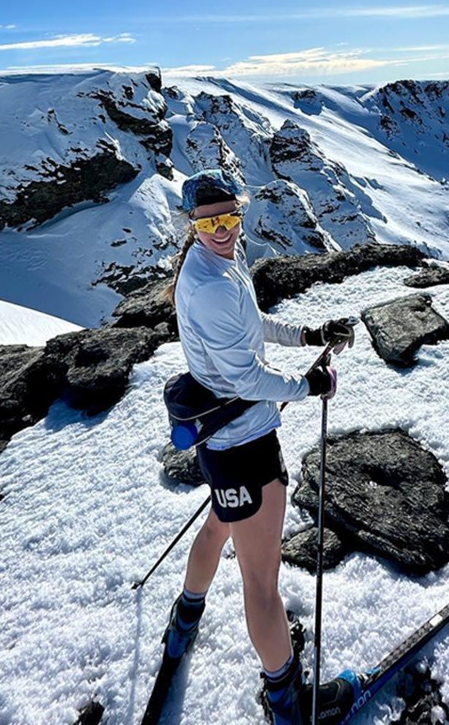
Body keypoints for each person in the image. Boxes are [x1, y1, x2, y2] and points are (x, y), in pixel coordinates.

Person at [162, 169, 356, 725]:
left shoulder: (214, 264)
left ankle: (185, 620)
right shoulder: (212, 285)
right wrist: (307, 386)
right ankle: (287, 702)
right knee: (262, 588)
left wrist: (306, 336)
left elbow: (251, 328)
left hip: (220, 442)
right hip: (244, 444)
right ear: (192, 223)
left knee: (218, 526)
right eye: (210, 221)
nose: (223, 229)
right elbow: (247, 380)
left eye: (231, 217)